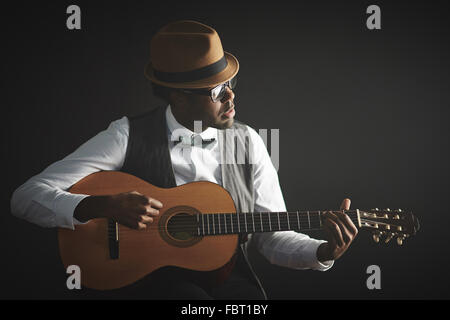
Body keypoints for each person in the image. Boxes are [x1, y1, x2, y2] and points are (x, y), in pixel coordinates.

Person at [10, 20, 358, 299]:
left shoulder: (248, 142)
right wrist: (99, 206)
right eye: (216, 90)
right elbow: (25, 197)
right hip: (146, 281)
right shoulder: (127, 135)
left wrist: (324, 251)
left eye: (230, 82)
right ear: (179, 97)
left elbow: (271, 237)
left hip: (227, 281)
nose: (231, 95)